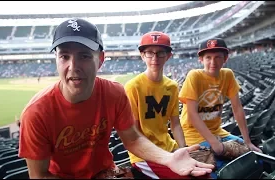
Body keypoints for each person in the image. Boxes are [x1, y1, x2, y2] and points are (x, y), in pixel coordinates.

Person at [18, 18, 214, 179]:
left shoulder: (114, 93)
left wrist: (168, 158)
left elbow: (133, 139)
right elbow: (39, 176)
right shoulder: (36, 113)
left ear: (100, 60)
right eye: (64, 56)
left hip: (106, 173)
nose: (73, 65)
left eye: (84, 56)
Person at [178, 38, 262, 178]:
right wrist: (214, 143)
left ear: (225, 58)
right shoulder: (194, 76)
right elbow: (192, 115)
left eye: (218, 57)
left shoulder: (227, 75)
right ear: (201, 59)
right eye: (208, 57)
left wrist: (248, 142)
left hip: (218, 131)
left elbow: (237, 109)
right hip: (192, 134)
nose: (213, 62)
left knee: (253, 158)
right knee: (218, 171)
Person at [124, 31, 188, 179]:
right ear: (142, 55)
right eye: (149, 53)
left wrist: (183, 149)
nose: (154, 58)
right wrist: (160, 155)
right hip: (143, 155)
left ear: (168, 56)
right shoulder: (133, 87)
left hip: (168, 147)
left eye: (160, 53)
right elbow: (133, 130)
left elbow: (175, 124)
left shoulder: (172, 86)